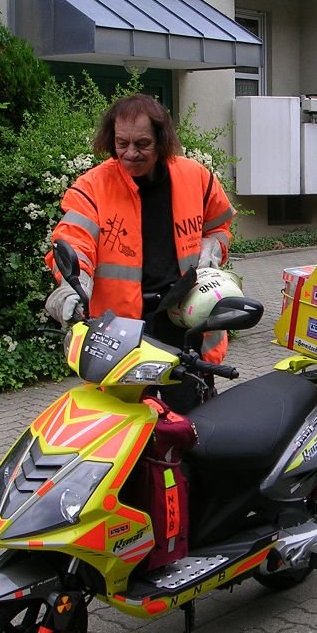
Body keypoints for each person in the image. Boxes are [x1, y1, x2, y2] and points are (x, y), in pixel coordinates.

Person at [44, 93, 235, 413]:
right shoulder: (93, 187)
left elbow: (219, 227)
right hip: (121, 333)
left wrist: (213, 248)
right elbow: (74, 241)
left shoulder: (196, 177)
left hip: (183, 324)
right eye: (122, 143)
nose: (130, 153)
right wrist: (71, 288)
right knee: (122, 426)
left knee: (189, 425)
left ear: (162, 140)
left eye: (142, 144)